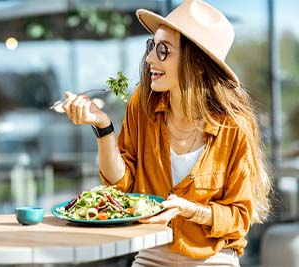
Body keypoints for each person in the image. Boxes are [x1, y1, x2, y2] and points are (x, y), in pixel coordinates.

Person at [62, 0, 272, 266]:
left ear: (197, 64)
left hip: (213, 259)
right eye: (152, 47)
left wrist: (191, 210)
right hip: (152, 254)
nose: (150, 59)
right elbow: (120, 185)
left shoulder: (234, 126)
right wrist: (104, 127)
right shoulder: (143, 104)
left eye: (164, 50)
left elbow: (239, 219)